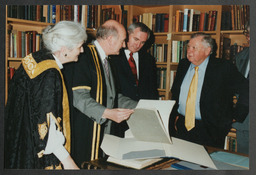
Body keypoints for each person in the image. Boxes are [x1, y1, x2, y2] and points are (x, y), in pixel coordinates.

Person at [4, 21, 87, 169]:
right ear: (64, 50)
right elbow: (47, 128)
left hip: (18, 140)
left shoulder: (35, 57)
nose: (81, 51)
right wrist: (68, 162)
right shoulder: (49, 73)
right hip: (35, 153)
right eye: (79, 46)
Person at [70, 20, 137, 168]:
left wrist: (140, 106)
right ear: (110, 39)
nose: (125, 45)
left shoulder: (109, 60)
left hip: (105, 134)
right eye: (123, 40)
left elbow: (113, 97)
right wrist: (107, 113)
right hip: (86, 129)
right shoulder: (83, 56)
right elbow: (79, 97)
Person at [169, 32, 249, 148]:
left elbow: (247, 88)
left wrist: (237, 115)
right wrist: (175, 115)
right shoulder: (183, 64)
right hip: (182, 126)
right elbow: (176, 93)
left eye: (194, 48)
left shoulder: (223, 67)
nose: (189, 51)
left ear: (207, 51)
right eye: (189, 47)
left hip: (211, 129)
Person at [110, 22, 159, 101]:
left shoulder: (149, 60)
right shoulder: (113, 56)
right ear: (127, 34)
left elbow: (152, 90)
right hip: (120, 107)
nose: (138, 45)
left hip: (143, 108)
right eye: (136, 39)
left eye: (142, 42)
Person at [232, 22, 250, 154]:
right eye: (247, 33)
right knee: (244, 162)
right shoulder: (240, 57)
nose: (248, 37)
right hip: (244, 122)